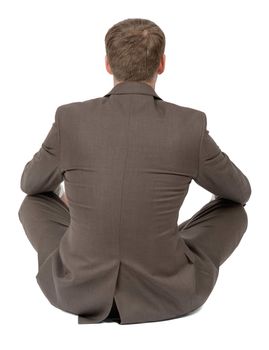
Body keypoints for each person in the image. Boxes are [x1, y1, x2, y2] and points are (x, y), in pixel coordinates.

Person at [18, 18, 251, 325]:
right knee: (235, 211)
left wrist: (65, 194)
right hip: (167, 292)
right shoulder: (190, 124)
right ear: (162, 64)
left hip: (77, 289)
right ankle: (158, 243)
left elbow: (30, 183)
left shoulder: (70, 118)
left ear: (107, 64)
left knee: (33, 201)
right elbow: (240, 192)